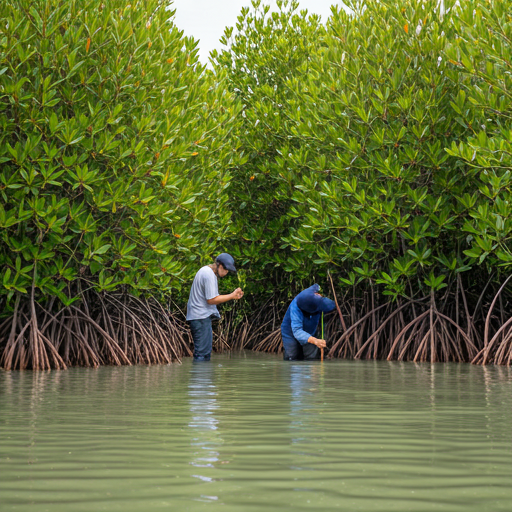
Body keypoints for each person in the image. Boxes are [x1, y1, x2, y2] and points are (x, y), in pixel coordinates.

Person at [186, 253, 244, 361]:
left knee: (204, 353)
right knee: (202, 354)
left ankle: (202, 376)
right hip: (200, 317)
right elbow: (212, 300)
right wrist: (232, 295)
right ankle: (200, 377)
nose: (226, 272)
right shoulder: (209, 275)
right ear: (219, 265)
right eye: (226, 269)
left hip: (199, 317)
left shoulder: (206, 271)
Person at [281, 284, 335, 361]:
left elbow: (318, 286)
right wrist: (315, 341)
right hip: (291, 333)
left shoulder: (316, 291)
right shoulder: (296, 307)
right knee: (291, 358)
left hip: (310, 331)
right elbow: (297, 331)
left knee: (312, 358)